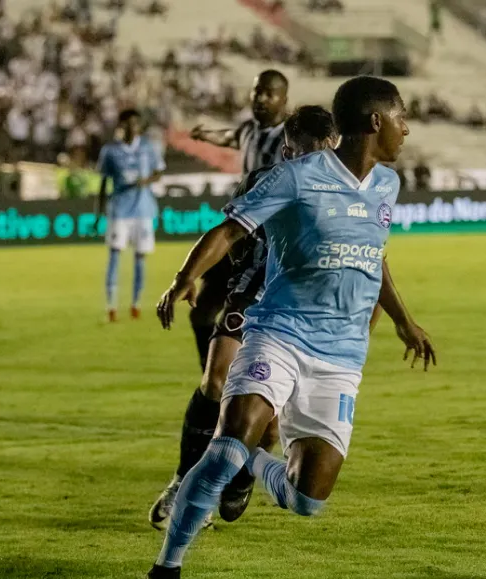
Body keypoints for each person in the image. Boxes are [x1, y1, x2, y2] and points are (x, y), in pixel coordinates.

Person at [146, 76, 435, 579]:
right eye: (401, 117)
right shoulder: (296, 176)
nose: (406, 130)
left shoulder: (388, 185)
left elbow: (373, 255)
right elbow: (229, 230)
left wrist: (404, 322)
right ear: (375, 122)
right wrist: (182, 279)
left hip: (341, 357)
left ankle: (254, 464)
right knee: (226, 443)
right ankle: (166, 566)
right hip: (278, 333)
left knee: (307, 501)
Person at [148, 105, 337, 531]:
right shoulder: (263, 181)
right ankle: (183, 480)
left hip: (301, 312)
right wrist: (190, 278)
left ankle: (241, 473)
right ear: (290, 148)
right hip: (253, 295)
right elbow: (230, 234)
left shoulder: (346, 190)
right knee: (215, 382)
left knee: (267, 423)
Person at [187, 69, 288, 372]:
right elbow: (229, 137)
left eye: (270, 94)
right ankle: (214, 385)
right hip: (239, 234)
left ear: (284, 99)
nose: (261, 99)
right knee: (201, 313)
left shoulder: (293, 137)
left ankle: (246, 385)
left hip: (269, 244)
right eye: (258, 91)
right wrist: (205, 135)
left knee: (255, 324)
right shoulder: (248, 130)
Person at [95, 109, 166, 322]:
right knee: (115, 256)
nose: (131, 127)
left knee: (140, 258)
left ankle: (135, 304)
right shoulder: (110, 151)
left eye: (135, 123)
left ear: (139, 126)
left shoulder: (148, 147)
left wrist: (146, 181)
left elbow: (159, 172)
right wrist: (98, 212)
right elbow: (103, 183)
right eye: (127, 123)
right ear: (120, 125)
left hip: (143, 210)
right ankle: (111, 306)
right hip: (119, 211)